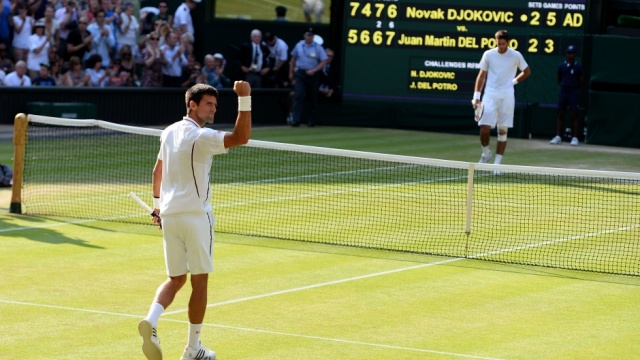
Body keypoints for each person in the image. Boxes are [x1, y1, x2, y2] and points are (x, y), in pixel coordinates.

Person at [138, 81, 252, 360]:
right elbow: (241, 137)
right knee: (199, 282)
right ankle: (193, 349)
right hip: (197, 217)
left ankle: (151, 321)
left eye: (215, 104)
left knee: (176, 278)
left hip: (171, 215)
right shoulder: (201, 137)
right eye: (208, 104)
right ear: (192, 104)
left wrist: (157, 208)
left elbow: (157, 172)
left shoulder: (168, 132)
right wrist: (245, 99)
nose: (213, 109)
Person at [472, 29, 530, 166]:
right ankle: (486, 154)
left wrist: (513, 82)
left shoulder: (516, 55)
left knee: (502, 131)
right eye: (498, 44)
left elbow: (527, 72)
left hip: (507, 96)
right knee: (484, 127)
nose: (501, 46)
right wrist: (476, 96)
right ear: (496, 42)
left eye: (503, 44)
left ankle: (497, 164)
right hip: (490, 95)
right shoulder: (488, 54)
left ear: (508, 42)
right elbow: (481, 76)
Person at [288, 27, 328, 127]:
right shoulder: (299, 45)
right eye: (307, 35)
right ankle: (296, 120)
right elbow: (293, 59)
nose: (309, 37)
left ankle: (311, 120)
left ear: (313, 36)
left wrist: (314, 70)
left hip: (313, 74)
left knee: (313, 97)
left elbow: (324, 61)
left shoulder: (318, 47)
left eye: (311, 35)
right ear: (304, 35)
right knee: (299, 95)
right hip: (301, 73)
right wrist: (291, 72)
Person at [550, 45, 584, 146]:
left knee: (574, 114)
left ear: (575, 54)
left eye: (572, 53)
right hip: (563, 91)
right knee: (561, 113)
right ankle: (558, 136)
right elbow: (559, 78)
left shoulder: (578, 67)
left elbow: (581, 81)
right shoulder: (561, 66)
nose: (570, 55)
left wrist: (574, 86)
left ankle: (575, 137)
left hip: (573, 92)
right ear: (566, 54)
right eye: (569, 53)